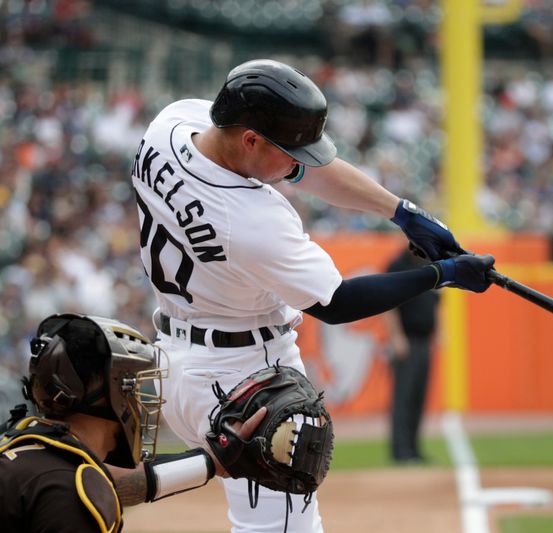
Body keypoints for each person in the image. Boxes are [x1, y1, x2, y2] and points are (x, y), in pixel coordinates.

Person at [130, 58, 495, 533]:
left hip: (175, 365)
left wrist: (402, 212)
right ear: (251, 140)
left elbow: (307, 172)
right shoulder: (253, 220)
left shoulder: (170, 126)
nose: (300, 163)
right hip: (243, 377)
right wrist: (439, 274)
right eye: (291, 151)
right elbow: (336, 302)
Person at [0, 313, 167, 532]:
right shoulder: (67, 491)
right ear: (111, 394)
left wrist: (210, 459)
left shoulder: (27, 450)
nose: (136, 399)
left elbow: (116, 478)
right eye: (131, 386)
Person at [384, 247, 440, 464]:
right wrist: (396, 337)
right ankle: (401, 451)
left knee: (418, 396)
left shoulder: (430, 264)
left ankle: (414, 449)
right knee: (404, 397)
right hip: (406, 340)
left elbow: (437, 304)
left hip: (425, 339)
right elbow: (388, 305)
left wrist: (438, 334)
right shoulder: (397, 265)